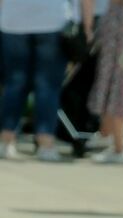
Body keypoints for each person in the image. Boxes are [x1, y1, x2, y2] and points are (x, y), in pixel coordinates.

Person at [0, 0, 72, 161]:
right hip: (52, 20)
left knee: (14, 83)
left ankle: (6, 139)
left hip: (13, 21)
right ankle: (46, 143)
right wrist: (86, 25)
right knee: (48, 86)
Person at [86, 0, 123, 164]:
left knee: (119, 82)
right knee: (113, 80)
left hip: (122, 21)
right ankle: (108, 135)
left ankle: (119, 146)